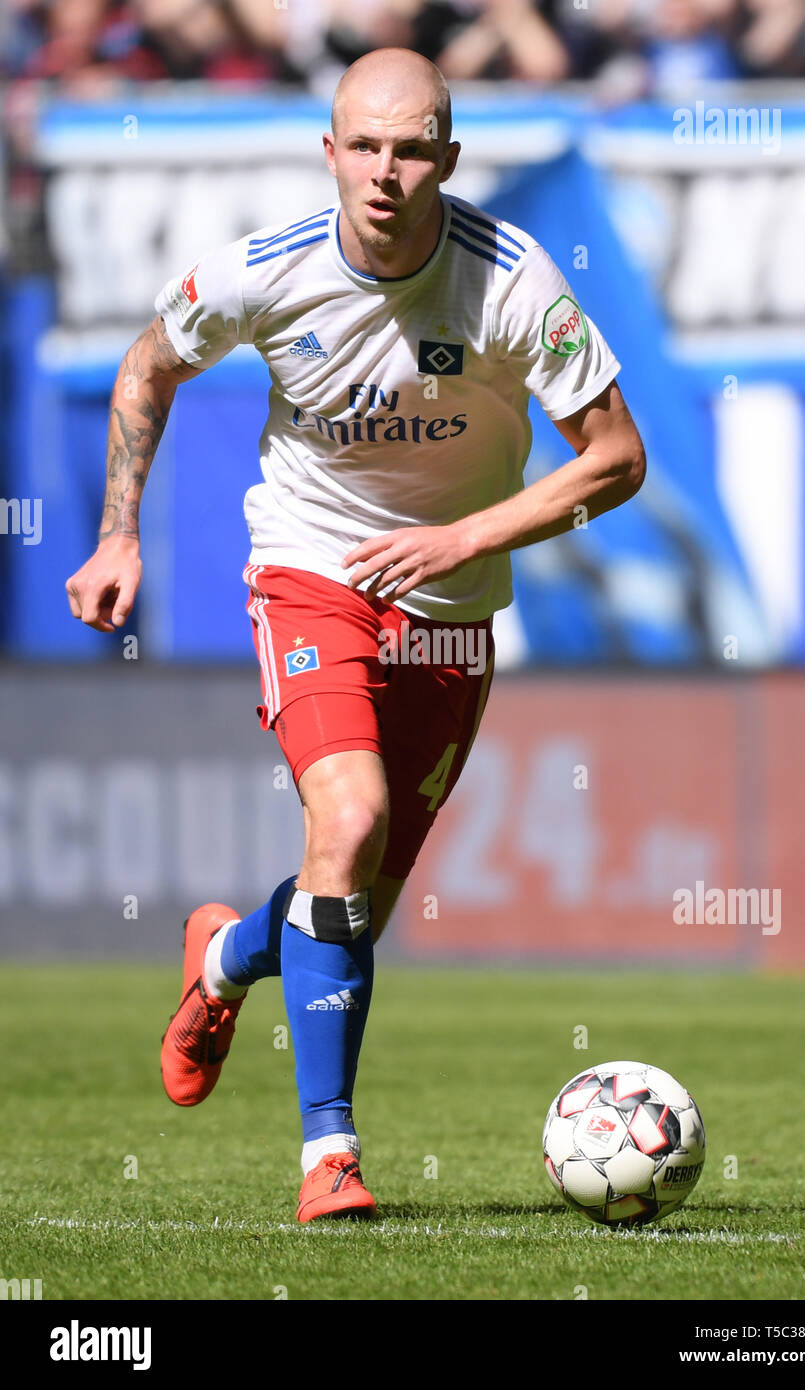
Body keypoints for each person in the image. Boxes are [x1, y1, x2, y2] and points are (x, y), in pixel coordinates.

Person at [65, 47, 645, 1223]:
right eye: (364, 146)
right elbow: (147, 364)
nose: (385, 172)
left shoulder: (514, 281)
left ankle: (226, 957)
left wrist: (465, 537)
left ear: (449, 158)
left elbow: (618, 458)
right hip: (310, 572)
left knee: (355, 905)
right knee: (352, 817)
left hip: (452, 602)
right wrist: (117, 531)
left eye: (412, 148)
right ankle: (329, 1155)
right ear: (330, 152)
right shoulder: (262, 272)